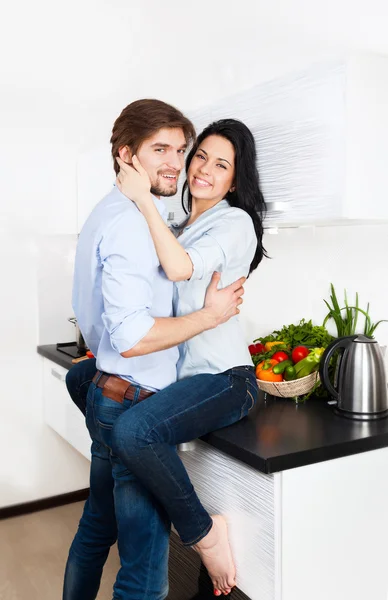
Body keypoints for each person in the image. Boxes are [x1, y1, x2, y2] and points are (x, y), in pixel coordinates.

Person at [63, 99, 245, 600]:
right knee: (143, 576)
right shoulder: (135, 221)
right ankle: (206, 535)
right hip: (134, 396)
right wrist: (209, 316)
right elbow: (135, 337)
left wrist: (102, 364)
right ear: (127, 156)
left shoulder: (116, 211)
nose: (179, 162)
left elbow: (102, 319)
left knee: (96, 531)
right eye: (160, 148)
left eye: (180, 149)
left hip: (112, 392)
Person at [110, 117, 267, 597]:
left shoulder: (235, 222)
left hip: (226, 378)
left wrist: (141, 196)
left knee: (134, 431)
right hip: (184, 380)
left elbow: (178, 269)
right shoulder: (180, 223)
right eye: (200, 156)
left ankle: (204, 535)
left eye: (221, 164)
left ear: (234, 181)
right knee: (90, 390)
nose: (203, 169)